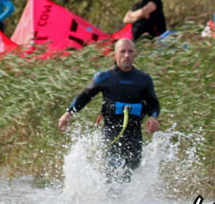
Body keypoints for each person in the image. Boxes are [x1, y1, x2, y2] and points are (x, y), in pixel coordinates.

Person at [58, 38, 160, 180]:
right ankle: (109, 200)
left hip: (134, 136)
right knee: (112, 173)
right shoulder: (103, 77)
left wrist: (152, 117)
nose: (126, 55)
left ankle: (129, 202)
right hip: (111, 133)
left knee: (131, 175)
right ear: (115, 54)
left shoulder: (143, 79)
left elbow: (153, 103)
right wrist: (68, 113)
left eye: (130, 51)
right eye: (122, 51)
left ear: (135, 54)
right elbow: (84, 97)